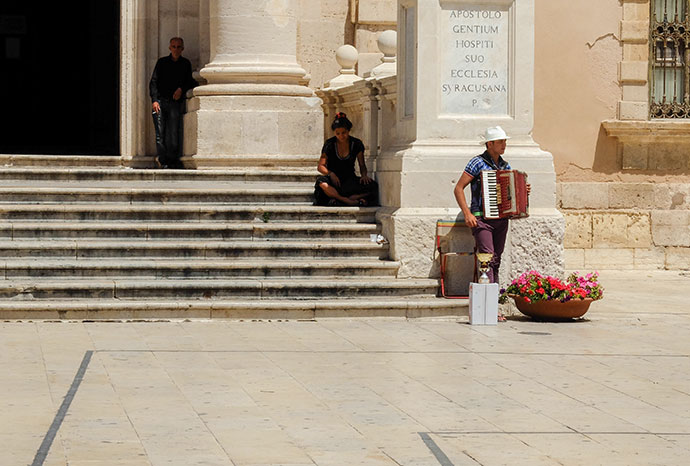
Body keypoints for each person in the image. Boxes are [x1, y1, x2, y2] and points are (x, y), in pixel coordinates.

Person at [454, 126, 530, 320]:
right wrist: (468, 213)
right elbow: (459, 188)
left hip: (501, 220)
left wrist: (523, 190)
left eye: (505, 141)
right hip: (481, 218)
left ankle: (491, 306)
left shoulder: (504, 166)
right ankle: (487, 308)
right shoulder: (476, 163)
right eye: (501, 141)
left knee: (495, 261)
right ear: (490, 144)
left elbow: (509, 194)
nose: (505, 145)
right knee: (486, 260)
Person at [149, 37, 198, 169]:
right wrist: (154, 100)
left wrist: (181, 89)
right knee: (160, 134)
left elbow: (190, 81)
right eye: (174, 46)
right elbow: (153, 82)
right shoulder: (162, 63)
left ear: (182, 49)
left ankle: (172, 161)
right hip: (160, 102)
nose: (176, 49)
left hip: (174, 103)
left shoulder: (185, 64)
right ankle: (163, 160)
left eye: (179, 47)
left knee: (173, 134)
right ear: (170, 48)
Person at [314, 112, 379, 206]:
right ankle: (346, 200)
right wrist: (331, 174)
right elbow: (320, 166)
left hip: (349, 179)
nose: (341, 136)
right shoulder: (329, 144)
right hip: (334, 181)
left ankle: (339, 199)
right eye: (338, 133)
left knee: (372, 186)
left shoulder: (356, 144)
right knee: (322, 183)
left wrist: (364, 175)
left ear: (348, 131)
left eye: (344, 133)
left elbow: (361, 164)